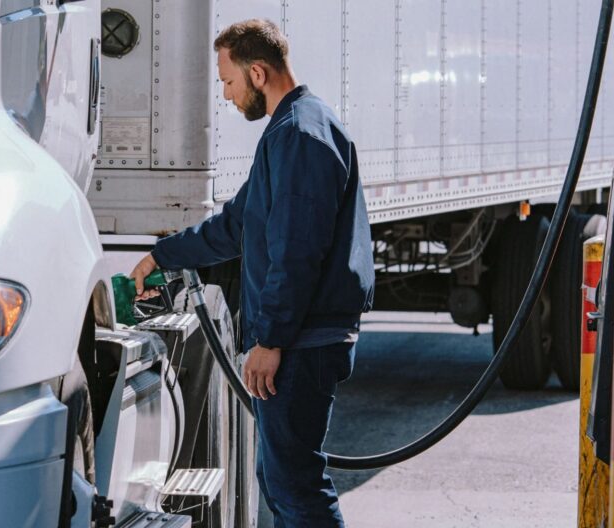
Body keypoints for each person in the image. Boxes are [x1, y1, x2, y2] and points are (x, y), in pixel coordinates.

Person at [127, 18, 374, 528]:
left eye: (229, 82)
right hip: (303, 336)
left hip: (305, 340)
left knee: (295, 484)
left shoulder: (302, 136)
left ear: (257, 73)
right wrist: (164, 255)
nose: (225, 94)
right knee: (281, 482)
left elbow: (296, 251)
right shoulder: (287, 133)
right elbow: (237, 225)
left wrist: (272, 339)